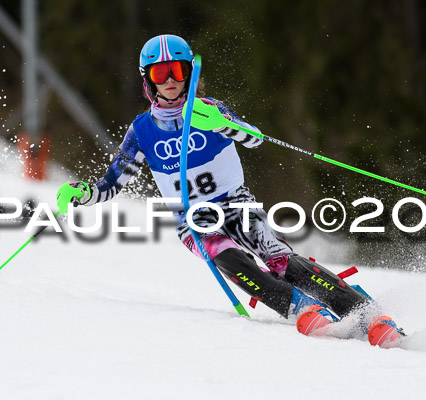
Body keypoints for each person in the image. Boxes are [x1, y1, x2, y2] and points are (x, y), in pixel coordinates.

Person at [59, 34, 403, 348]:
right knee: (226, 256)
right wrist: (83, 193)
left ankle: (367, 314)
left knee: (278, 257)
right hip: (192, 220)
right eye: (160, 74)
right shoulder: (141, 130)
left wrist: (224, 122)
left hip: (235, 202)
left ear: (189, 74)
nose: (170, 82)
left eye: (177, 71)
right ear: (147, 80)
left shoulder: (209, 108)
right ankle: (300, 307)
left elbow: (253, 138)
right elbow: (112, 183)